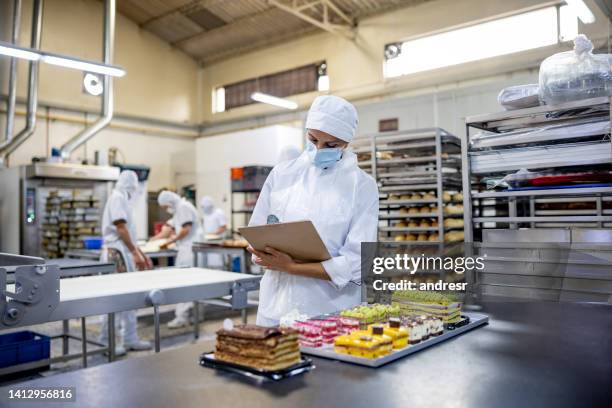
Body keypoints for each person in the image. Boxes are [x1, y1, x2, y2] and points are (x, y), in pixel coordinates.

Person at [247, 95, 379, 326]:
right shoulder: (282, 175)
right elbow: (256, 231)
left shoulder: (362, 186)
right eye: (313, 139)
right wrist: (261, 252)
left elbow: (358, 263)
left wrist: (291, 266)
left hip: (328, 309)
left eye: (330, 145)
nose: (318, 150)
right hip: (275, 306)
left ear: (346, 143)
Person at [99, 170, 153, 355]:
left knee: (130, 297)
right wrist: (134, 252)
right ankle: (106, 342)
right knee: (113, 299)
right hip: (117, 253)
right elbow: (120, 228)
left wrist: (140, 253)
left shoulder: (124, 199)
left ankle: (130, 338)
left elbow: (129, 231)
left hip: (124, 252)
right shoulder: (117, 198)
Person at [155, 190, 203, 328]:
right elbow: (172, 228)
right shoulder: (181, 208)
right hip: (189, 249)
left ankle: (182, 317)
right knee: (193, 284)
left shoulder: (183, 207)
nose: (166, 209)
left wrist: (170, 241)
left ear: (169, 202)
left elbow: (185, 229)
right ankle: (196, 315)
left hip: (189, 250)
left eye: (165, 207)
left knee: (184, 283)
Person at [200, 196, 228, 269]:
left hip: (218, 243)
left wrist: (213, 235)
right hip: (207, 243)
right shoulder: (205, 215)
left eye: (204, 207)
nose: (203, 209)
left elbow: (223, 227)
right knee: (208, 266)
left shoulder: (219, 213)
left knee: (218, 265)